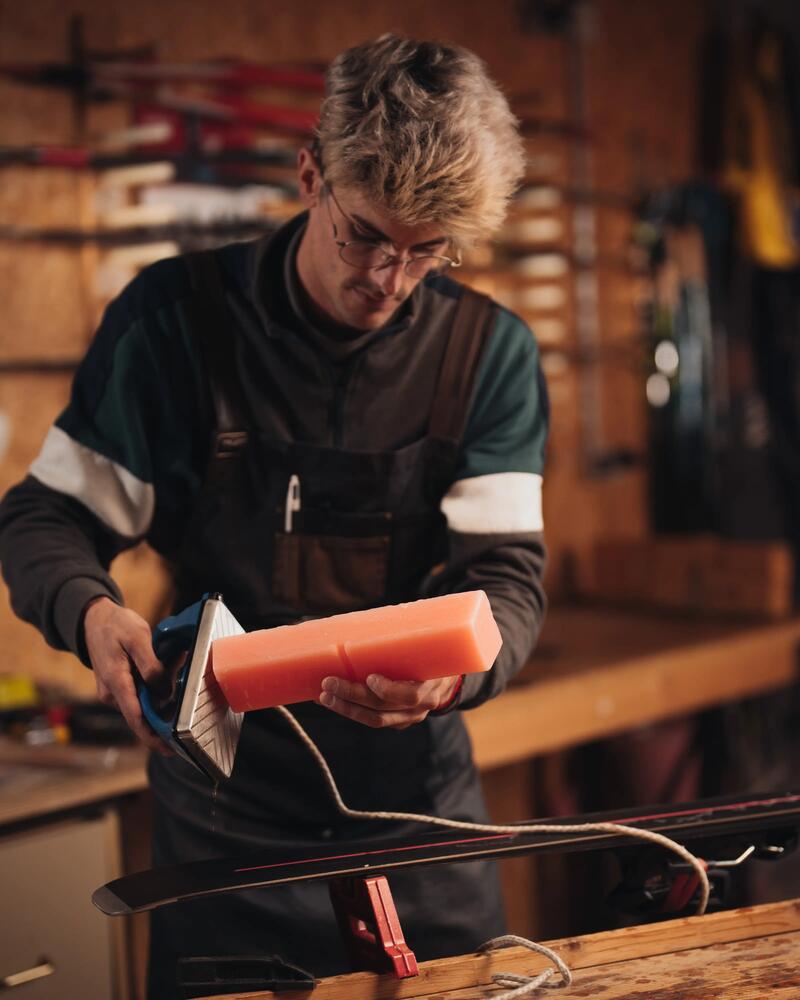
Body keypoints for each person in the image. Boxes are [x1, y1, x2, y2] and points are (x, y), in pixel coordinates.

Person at [0, 34, 548, 997]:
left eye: (427, 253)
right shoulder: (172, 326)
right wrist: (90, 611)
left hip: (417, 813)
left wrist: (459, 678)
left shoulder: (485, 354)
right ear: (310, 175)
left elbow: (505, 577)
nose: (390, 279)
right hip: (225, 815)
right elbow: (45, 519)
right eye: (368, 236)